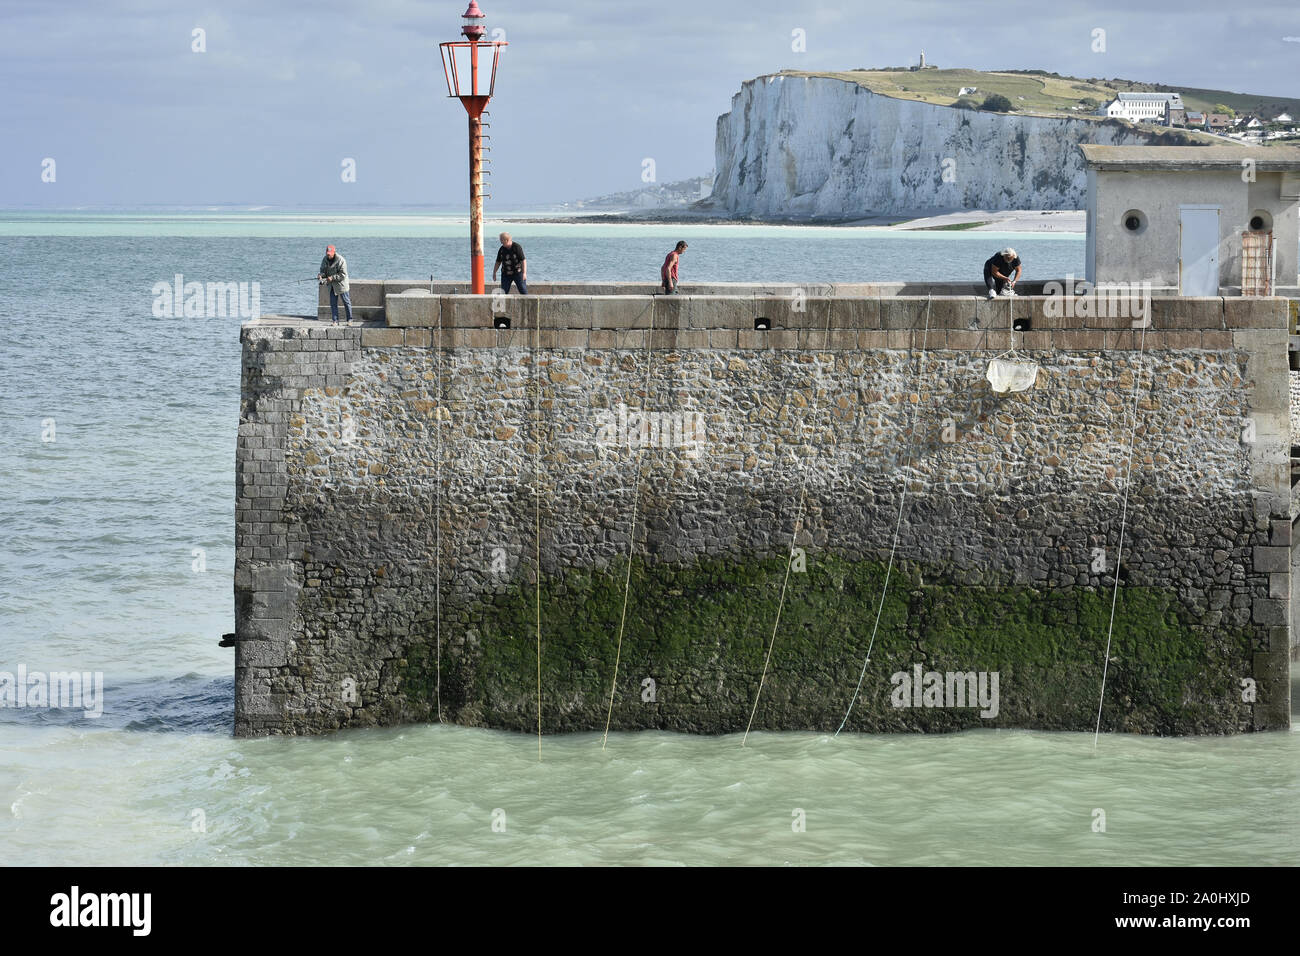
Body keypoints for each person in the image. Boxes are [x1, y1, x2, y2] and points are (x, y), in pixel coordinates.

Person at [318, 244, 352, 323]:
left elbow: (343, 274)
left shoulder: (341, 260)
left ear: (334, 252)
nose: (328, 255)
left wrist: (332, 278)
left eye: (330, 254)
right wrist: (321, 275)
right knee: (333, 304)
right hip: (332, 285)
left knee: (346, 302)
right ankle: (335, 320)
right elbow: (323, 271)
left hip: (341, 284)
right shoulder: (325, 259)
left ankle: (350, 319)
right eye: (327, 254)